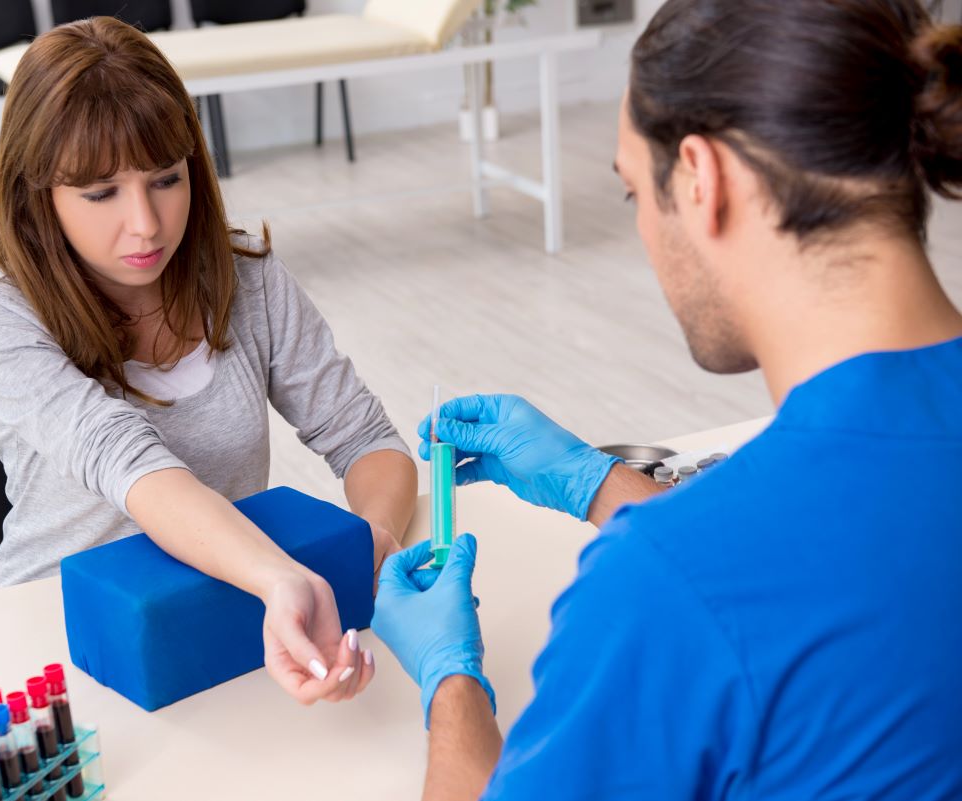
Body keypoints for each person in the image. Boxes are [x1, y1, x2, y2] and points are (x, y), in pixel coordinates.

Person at [372, 0, 962, 797]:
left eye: (632, 195)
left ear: (700, 177)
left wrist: (450, 683)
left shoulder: (657, 590)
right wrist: (597, 480)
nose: (645, 229)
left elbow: (736, 587)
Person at [0, 17, 417, 706]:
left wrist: (370, 542)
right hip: (59, 651)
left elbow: (367, 439)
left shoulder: (245, 278)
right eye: (101, 193)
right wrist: (282, 578)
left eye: (166, 179)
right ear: (36, 195)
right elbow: (133, 465)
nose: (146, 223)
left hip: (221, 618)